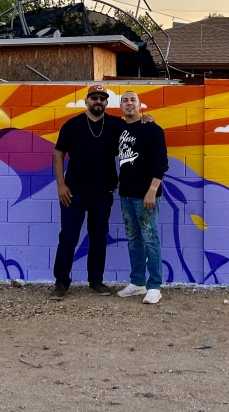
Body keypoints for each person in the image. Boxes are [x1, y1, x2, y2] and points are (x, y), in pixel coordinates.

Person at [50, 85, 152, 299]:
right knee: (68, 237)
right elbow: (58, 152)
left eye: (102, 98)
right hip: (73, 193)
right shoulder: (72, 125)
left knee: (98, 238)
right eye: (94, 98)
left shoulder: (116, 124)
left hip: (103, 193)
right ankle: (61, 283)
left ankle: (95, 280)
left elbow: (135, 130)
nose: (98, 101)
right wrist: (60, 184)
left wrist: (146, 119)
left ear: (106, 102)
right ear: (87, 101)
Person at [114, 90, 168, 305]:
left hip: (147, 195)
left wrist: (152, 190)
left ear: (140, 104)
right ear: (121, 106)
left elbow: (161, 163)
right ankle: (137, 282)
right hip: (126, 194)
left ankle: (155, 285)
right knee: (133, 239)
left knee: (150, 239)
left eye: (133, 100)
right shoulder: (119, 129)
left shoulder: (152, 130)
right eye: (125, 101)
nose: (129, 104)